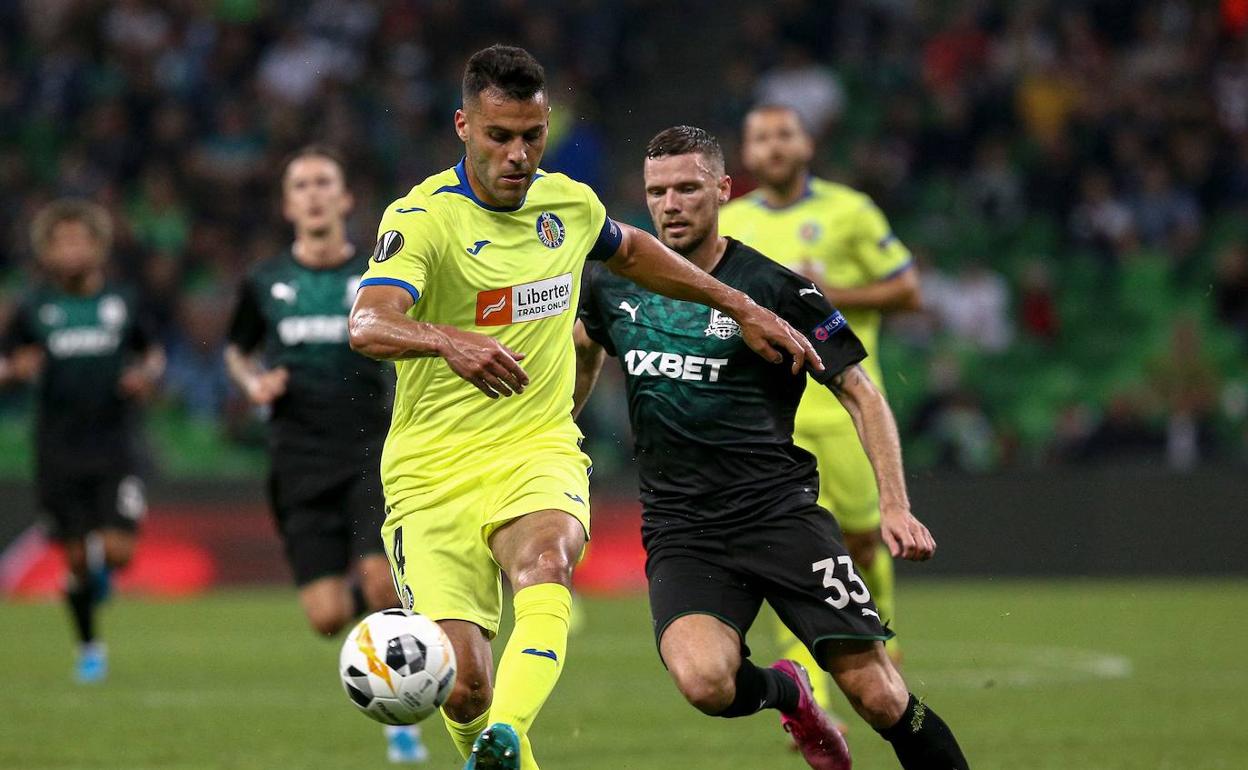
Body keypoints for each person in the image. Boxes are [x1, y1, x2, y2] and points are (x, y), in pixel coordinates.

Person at [348, 45, 818, 770]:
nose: (519, 154)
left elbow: (631, 250)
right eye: (500, 136)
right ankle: (497, 740)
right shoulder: (423, 219)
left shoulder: (567, 203)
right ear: (463, 128)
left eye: (532, 136)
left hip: (534, 446)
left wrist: (740, 303)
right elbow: (368, 324)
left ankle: (508, 733)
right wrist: (448, 341)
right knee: (464, 688)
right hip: (430, 471)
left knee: (546, 559)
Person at [574, 126, 969, 770]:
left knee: (878, 697)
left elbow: (862, 394)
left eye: (687, 188)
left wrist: (894, 505)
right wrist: (563, 428)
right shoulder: (615, 283)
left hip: (777, 516)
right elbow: (587, 346)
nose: (671, 204)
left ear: (723, 191)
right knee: (705, 683)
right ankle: (789, 691)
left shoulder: (775, 287)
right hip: (683, 527)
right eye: (657, 192)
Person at [223, 146, 427, 764]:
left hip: (371, 449)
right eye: (301, 185)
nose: (313, 194)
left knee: (377, 581)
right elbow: (238, 349)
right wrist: (254, 383)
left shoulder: (376, 272)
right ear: (288, 204)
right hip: (297, 459)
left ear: (343, 199)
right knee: (325, 616)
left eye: (324, 184)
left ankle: (402, 715)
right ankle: (359, 586)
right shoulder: (263, 283)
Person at [719, 104, 921, 713]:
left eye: (784, 134)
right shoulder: (729, 222)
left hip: (842, 411)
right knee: (785, 549)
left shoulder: (849, 211)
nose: (774, 146)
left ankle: (879, 636)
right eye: (760, 137)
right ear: (746, 154)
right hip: (765, 414)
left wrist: (823, 298)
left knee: (861, 541)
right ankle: (807, 690)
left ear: (807, 143)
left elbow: (907, 288)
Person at [0, 199, 164, 683]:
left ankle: (100, 580)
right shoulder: (33, 307)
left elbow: (151, 352)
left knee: (118, 551)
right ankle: (90, 647)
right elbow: (6, 361)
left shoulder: (123, 300)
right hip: (57, 447)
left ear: (98, 247)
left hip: (115, 443)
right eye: (61, 242)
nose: (71, 250)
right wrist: (14, 370)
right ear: (46, 252)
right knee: (73, 556)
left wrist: (145, 376)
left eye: (79, 240)